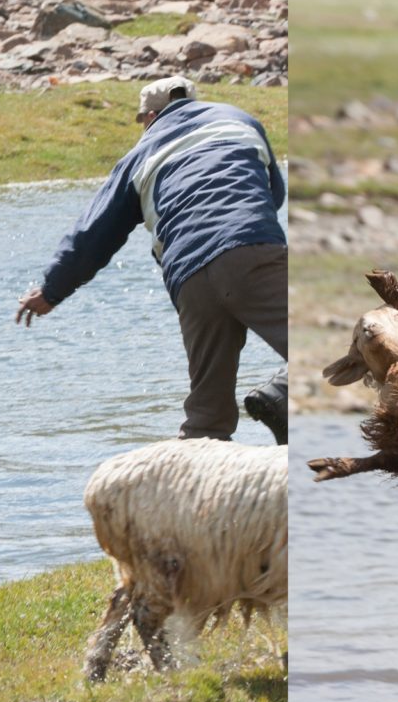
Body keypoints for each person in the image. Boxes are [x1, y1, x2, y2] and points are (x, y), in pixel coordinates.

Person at [16, 76, 287, 444]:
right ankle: (282, 393)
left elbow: (93, 234)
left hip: (188, 277)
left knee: (208, 416)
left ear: (150, 116)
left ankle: (191, 469)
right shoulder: (238, 120)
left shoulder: (139, 156)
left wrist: (51, 291)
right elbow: (273, 193)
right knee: (329, 349)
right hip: (249, 248)